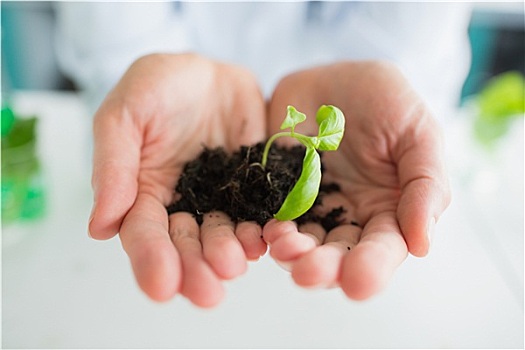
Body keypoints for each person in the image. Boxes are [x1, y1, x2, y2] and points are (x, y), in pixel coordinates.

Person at [55, 2, 472, 307]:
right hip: (172, 134)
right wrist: (135, 69)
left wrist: (391, 74)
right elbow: (114, 30)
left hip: (356, 162)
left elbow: (411, 34)